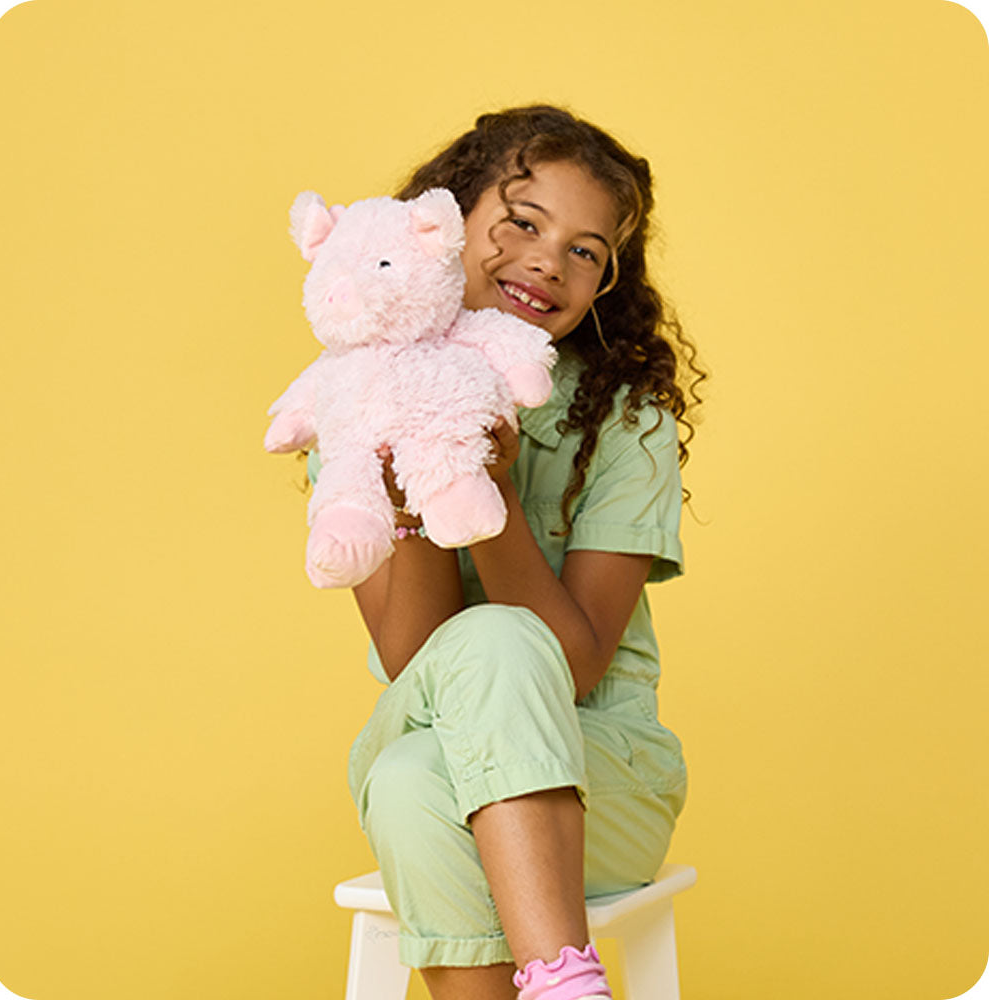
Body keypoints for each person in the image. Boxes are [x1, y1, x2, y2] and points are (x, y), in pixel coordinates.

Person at [306, 105, 705, 1000]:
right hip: (438, 741)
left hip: (602, 776)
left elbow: (576, 664)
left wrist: (494, 498)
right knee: (420, 759)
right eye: (523, 223)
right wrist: (415, 476)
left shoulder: (626, 418)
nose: (547, 261)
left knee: (424, 760)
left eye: (585, 251)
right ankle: (568, 982)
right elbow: (414, 653)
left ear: (604, 284)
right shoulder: (358, 400)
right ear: (445, 222)